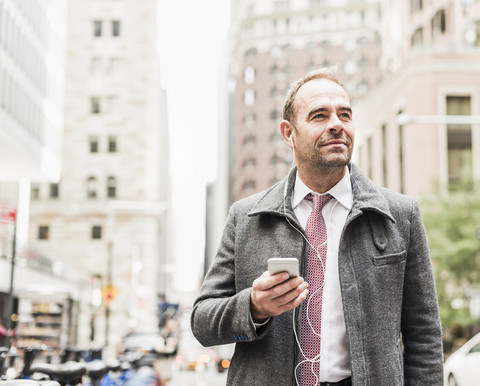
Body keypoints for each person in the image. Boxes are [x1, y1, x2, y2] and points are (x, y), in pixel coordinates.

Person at [191, 67, 444, 385]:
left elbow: (425, 338)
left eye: (345, 115)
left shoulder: (400, 215)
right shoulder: (246, 218)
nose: (337, 125)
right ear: (288, 133)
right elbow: (202, 322)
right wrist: (254, 307)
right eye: (319, 116)